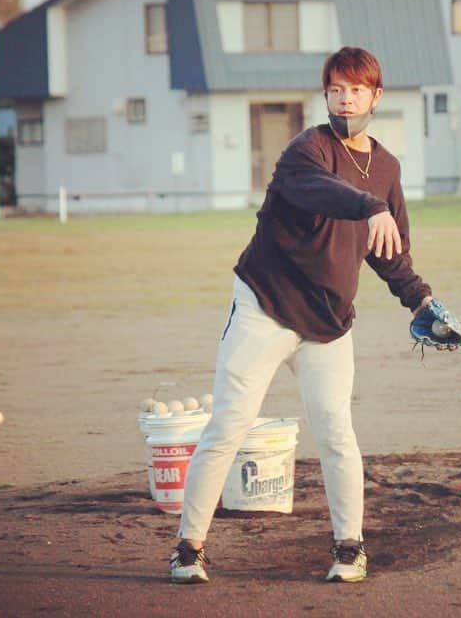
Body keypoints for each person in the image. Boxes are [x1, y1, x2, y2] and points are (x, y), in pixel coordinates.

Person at [169, 47, 439, 585]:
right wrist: (369, 206)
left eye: (356, 90)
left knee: (337, 431)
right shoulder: (306, 149)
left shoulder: (386, 169)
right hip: (265, 306)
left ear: (375, 95)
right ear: (326, 95)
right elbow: (322, 190)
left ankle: (349, 549)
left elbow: (389, 251)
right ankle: (187, 549)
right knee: (229, 422)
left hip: (328, 322)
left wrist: (421, 300)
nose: (345, 99)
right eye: (336, 89)